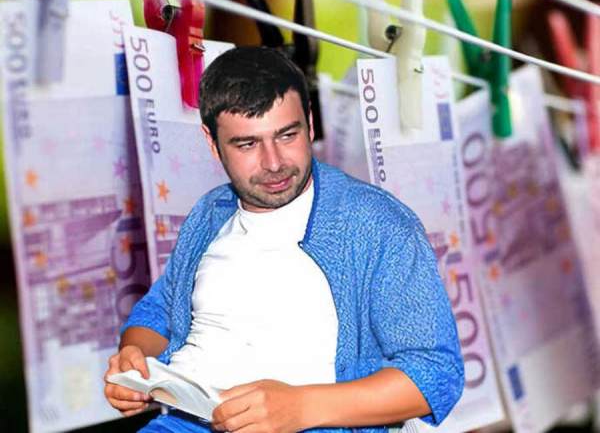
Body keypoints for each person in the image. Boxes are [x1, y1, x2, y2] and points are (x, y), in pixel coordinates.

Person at [104, 46, 464, 433]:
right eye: (247, 144)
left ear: (309, 122)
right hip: (182, 423)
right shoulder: (210, 213)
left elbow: (436, 372)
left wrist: (301, 407)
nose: (273, 163)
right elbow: (158, 313)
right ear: (212, 142)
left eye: (287, 135)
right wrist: (134, 358)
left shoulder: (376, 225)